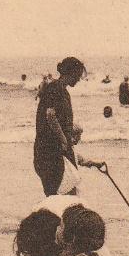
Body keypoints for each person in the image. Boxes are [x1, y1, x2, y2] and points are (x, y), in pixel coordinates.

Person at [35, 57, 86, 196]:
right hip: (50, 151)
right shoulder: (56, 88)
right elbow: (50, 115)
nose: (79, 79)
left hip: (53, 150)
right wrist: (64, 140)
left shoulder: (60, 89)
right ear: (71, 73)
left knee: (62, 193)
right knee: (61, 194)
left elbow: (57, 118)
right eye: (78, 75)